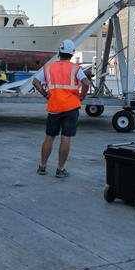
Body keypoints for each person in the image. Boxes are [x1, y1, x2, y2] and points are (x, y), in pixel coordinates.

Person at [32, 39, 90, 178]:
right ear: (71, 54)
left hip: (54, 107)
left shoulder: (49, 67)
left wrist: (46, 94)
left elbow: (35, 81)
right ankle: (60, 169)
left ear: (59, 52)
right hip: (71, 108)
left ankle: (42, 166)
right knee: (65, 139)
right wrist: (81, 96)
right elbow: (86, 83)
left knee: (49, 137)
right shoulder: (75, 69)